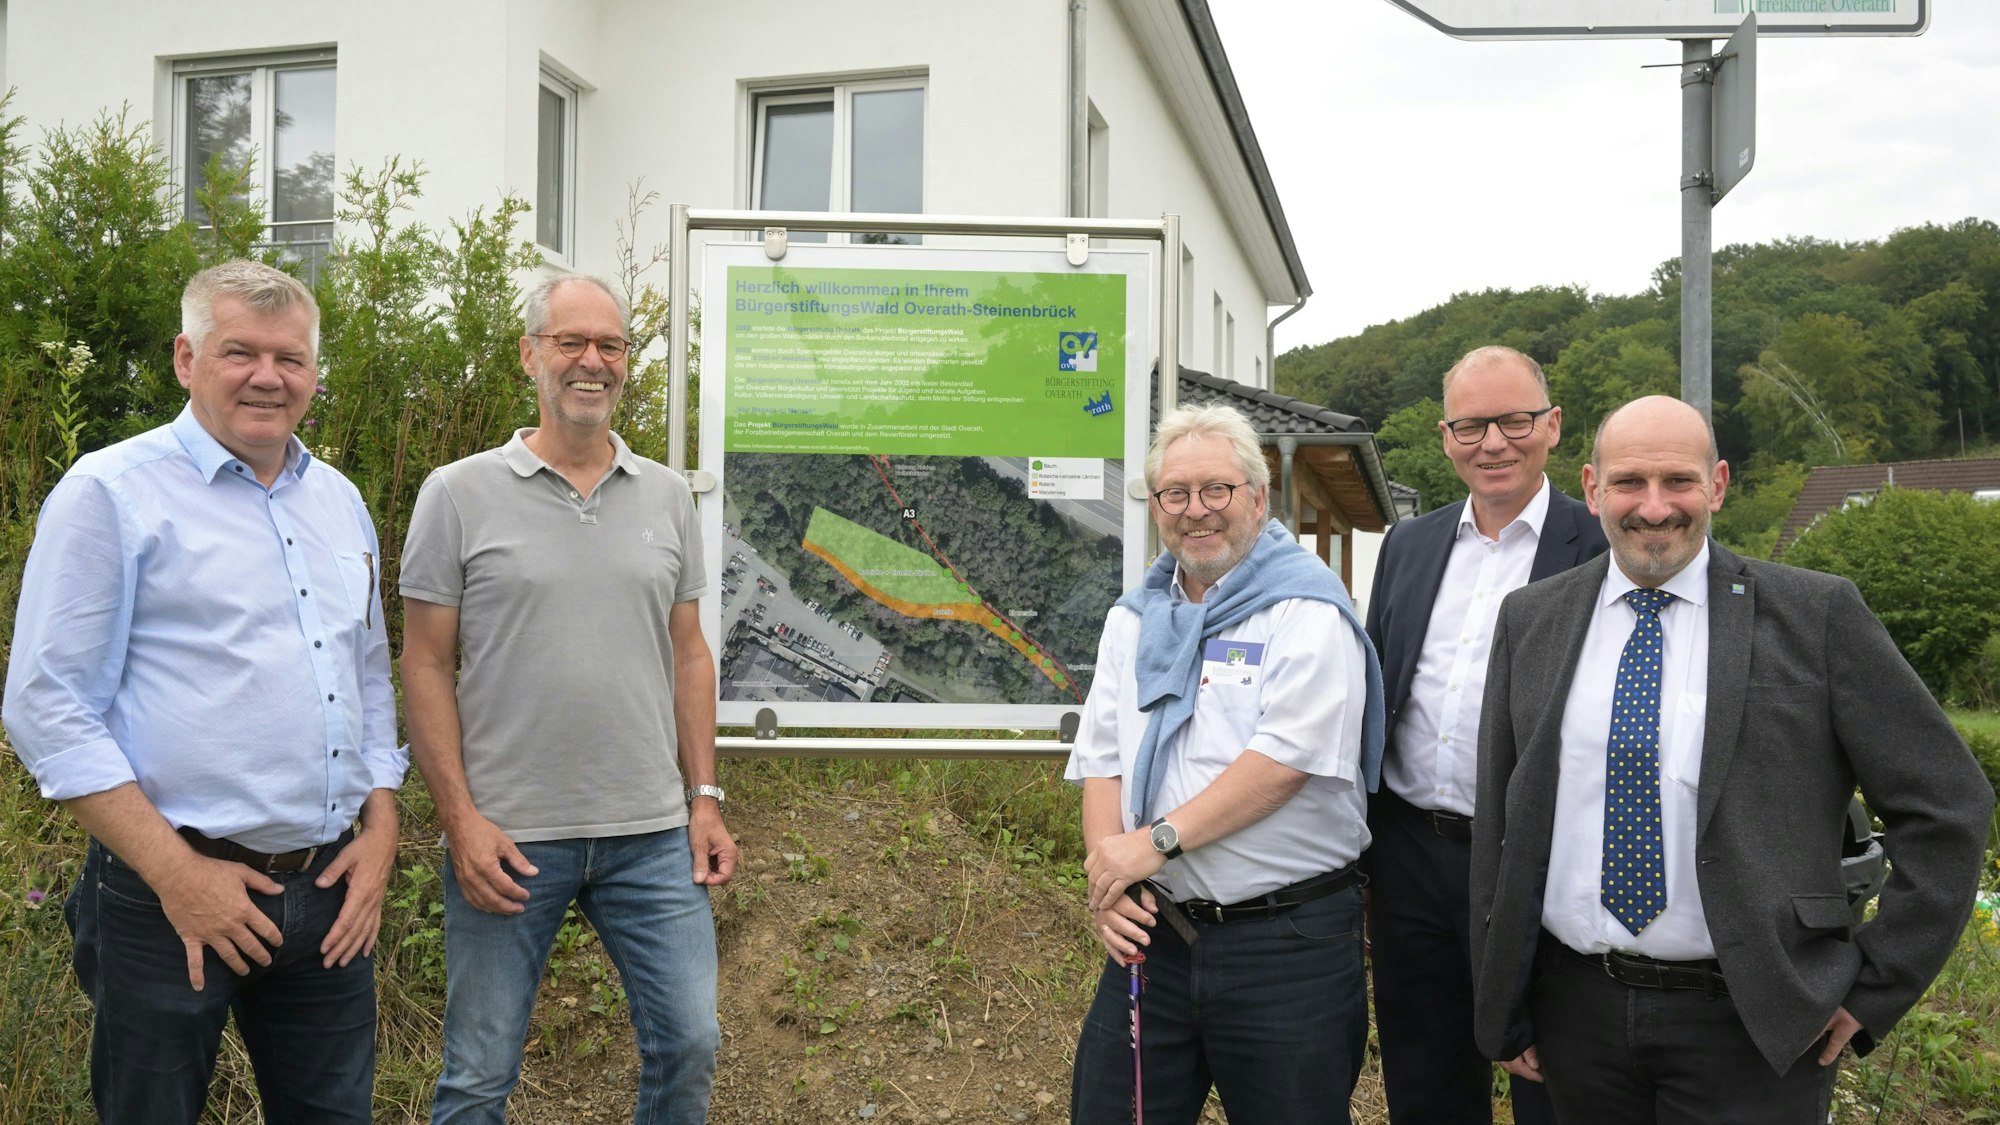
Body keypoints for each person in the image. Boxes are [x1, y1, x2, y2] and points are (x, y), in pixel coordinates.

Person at [1470, 394, 1995, 1123]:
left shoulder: (1817, 615)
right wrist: (1502, 999)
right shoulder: (1532, 619)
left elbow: (1949, 803)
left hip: (1755, 1024)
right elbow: (1500, 815)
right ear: (1592, 491)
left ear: (1717, 485)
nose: (1654, 507)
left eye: (1677, 481)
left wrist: (1875, 985)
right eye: (1629, 482)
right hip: (1575, 1015)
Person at [3, 259, 404, 1124]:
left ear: (315, 374)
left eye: (291, 358)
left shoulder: (339, 501)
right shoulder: (110, 493)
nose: (269, 376)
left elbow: (366, 672)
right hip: (165, 896)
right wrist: (177, 872)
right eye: (240, 353)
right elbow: (47, 706)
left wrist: (383, 825)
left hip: (329, 895)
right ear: (186, 359)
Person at [400, 272, 735, 1124]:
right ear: (530, 355)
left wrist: (704, 798)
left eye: (610, 345)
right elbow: (426, 664)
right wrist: (460, 820)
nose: (592, 361)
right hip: (508, 836)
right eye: (570, 342)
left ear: (628, 361)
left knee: (690, 1042)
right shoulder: (456, 492)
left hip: (651, 834)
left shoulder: (665, 494)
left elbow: (688, 651)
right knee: (478, 1075)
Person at [1064, 403, 1385, 1125]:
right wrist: (1108, 875)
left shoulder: (1307, 610)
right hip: (1157, 937)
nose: (1195, 510)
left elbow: (1283, 762)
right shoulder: (1135, 617)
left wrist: (1151, 842)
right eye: (1174, 494)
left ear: (1258, 497)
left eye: (1217, 490)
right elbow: (1104, 759)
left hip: (1286, 947)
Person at [1363, 345, 1599, 1124]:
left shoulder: (1599, 547)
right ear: (1444, 436)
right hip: (1411, 859)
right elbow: (1378, 692)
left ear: (1553, 426)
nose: (1493, 442)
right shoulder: (1409, 545)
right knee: (1425, 1080)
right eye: (1471, 426)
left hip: (1538, 859)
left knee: (1549, 1077)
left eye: (1514, 420)